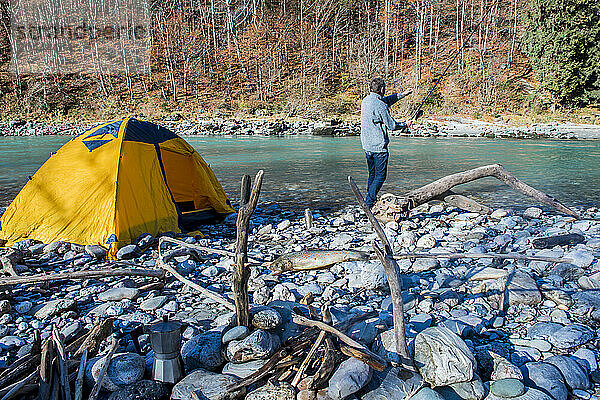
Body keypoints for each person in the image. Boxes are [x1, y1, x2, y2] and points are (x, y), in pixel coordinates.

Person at [360, 78, 413, 208]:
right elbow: (391, 125)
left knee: (372, 174)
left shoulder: (366, 101)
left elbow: (386, 101)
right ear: (382, 89)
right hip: (379, 147)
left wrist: (402, 94)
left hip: (367, 145)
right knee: (380, 177)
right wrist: (405, 124)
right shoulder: (380, 105)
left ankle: (369, 197)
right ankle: (369, 202)